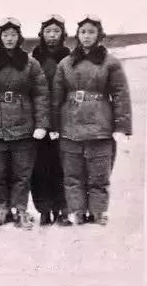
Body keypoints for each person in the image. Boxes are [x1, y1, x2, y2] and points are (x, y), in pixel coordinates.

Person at [52, 15, 132, 226]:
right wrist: (54, 125)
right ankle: (77, 211)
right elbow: (56, 98)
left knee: (99, 174)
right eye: (83, 32)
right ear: (77, 35)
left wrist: (122, 127)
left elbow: (121, 95)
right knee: (72, 174)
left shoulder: (111, 63)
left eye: (91, 32)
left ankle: (98, 211)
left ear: (99, 35)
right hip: (70, 126)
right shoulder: (66, 63)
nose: (86, 36)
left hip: (100, 126)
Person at [0, 17, 49, 230]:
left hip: (24, 126)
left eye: (13, 35)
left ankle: (21, 211)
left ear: (19, 37)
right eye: (5, 35)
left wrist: (41, 125)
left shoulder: (31, 64)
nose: (9, 39)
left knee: (22, 174)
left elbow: (41, 95)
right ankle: (3, 210)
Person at [30, 15, 72, 227]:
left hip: (63, 119)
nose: (52, 35)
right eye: (48, 31)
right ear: (42, 34)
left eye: (56, 31)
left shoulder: (71, 58)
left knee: (63, 166)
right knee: (39, 167)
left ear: (63, 34)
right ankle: (44, 209)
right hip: (38, 119)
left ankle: (63, 208)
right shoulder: (33, 59)